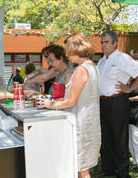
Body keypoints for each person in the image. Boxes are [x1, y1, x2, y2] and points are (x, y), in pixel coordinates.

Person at [43, 34, 101, 178]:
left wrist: (51, 105)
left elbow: (71, 101)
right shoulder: (92, 66)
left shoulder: (81, 69)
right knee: (80, 167)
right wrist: (58, 101)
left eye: (67, 49)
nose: (67, 55)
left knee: (82, 169)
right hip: (90, 120)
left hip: (82, 122)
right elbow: (80, 96)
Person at [95, 30, 138, 178]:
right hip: (102, 102)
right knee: (105, 138)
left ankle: (123, 173)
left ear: (114, 43)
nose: (103, 45)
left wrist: (130, 88)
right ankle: (108, 169)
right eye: (101, 42)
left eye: (106, 42)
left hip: (117, 101)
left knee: (119, 138)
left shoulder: (122, 58)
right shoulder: (101, 60)